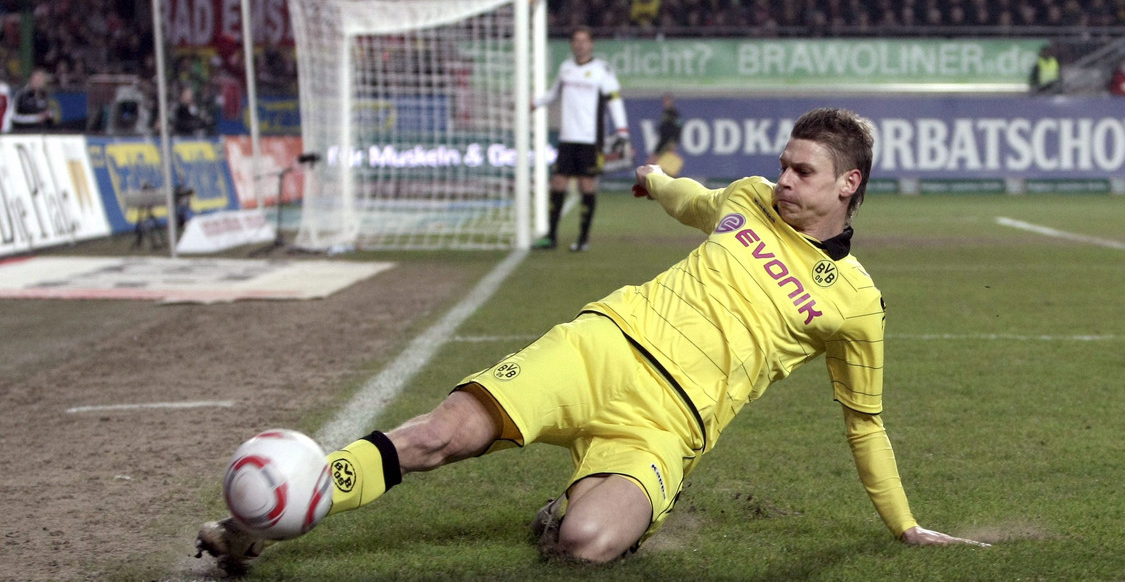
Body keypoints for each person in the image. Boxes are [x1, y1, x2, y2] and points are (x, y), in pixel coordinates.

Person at [196, 107, 988, 575]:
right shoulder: (749, 200)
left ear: (848, 184)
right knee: (444, 433)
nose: (783, 180)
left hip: (667, 426)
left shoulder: (855, 304)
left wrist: (904, 525)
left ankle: (575, 501)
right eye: (784, 165)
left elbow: (865, 423)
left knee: (583, 543)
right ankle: (271, 515)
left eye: (804, 173)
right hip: (602, 345)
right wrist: (654, 182)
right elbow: (694, 201)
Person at [530, 26, 630, 252]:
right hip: (567, 137)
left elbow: (615, 101)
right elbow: (554, 93)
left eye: (584, 41)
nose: (580, 44)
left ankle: (583, 239)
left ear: (591, 44)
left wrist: (622, 131)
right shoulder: (566, 68)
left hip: (590, 139)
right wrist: (534, 104)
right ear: (572, 44)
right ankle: (551, 236)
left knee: (587, 185)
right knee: (558, 183)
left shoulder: (602, 70)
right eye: (576, 40)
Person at [647, 93, 683, 176]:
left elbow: (678, 128)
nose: (665, 103)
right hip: (663, 139)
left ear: (671, 101)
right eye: (664, 101)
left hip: (667, 141)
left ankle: (651, 180)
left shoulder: (673, 113)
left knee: (655, 160)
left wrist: (674, 141)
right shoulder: (666, 112)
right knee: (659, 161)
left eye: (667, 100)